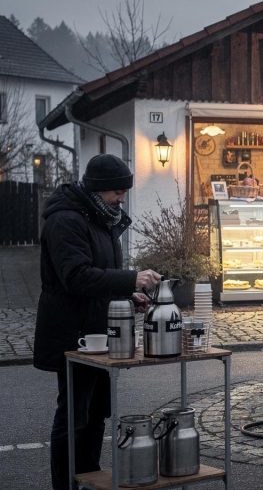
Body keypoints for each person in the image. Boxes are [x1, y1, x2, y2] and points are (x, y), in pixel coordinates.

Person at [34, 154, 161, 490]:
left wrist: (126, 297)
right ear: (97, 190)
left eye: (124, 191)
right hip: (73, 333)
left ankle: (88, 478)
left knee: (95, 414)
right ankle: (65, 484)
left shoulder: (101, 217)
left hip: (97, 331)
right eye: (116, 191)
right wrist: (131, 280)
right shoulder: (65, 221)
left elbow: (99, 274)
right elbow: (76, 277)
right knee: (74, 415)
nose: (121, 198)